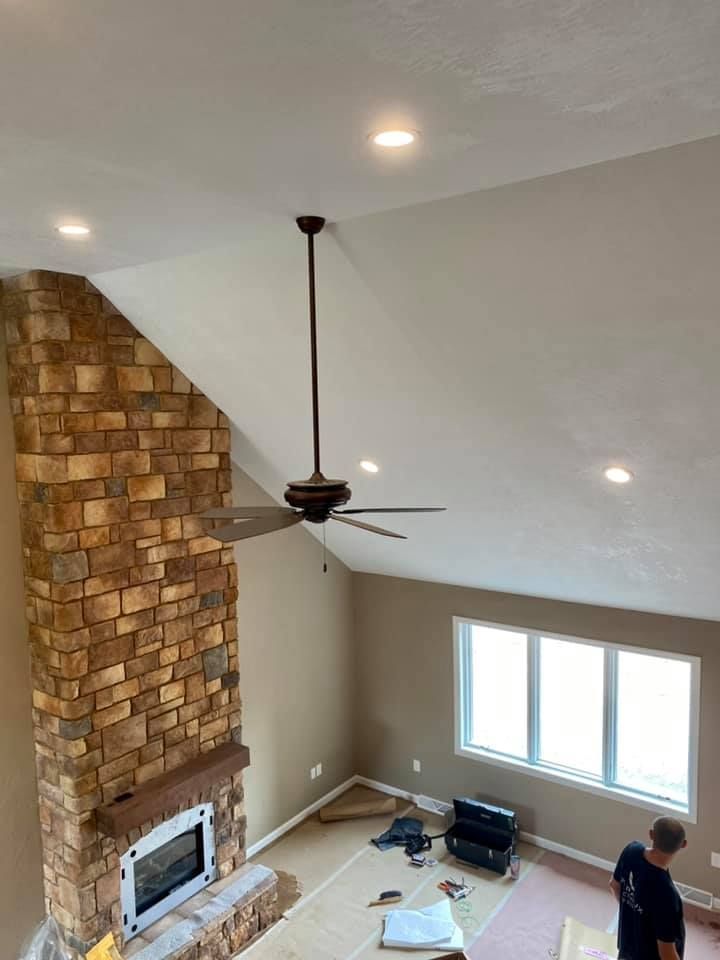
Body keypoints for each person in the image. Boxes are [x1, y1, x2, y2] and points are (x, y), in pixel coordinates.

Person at [610, 817, 687, 960]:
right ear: (683, 844)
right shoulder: (668, 895)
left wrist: (634, 911)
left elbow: (614, 885)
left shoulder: (631, 851)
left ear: (651, 834)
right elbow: (667, 953)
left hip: (627, 947)